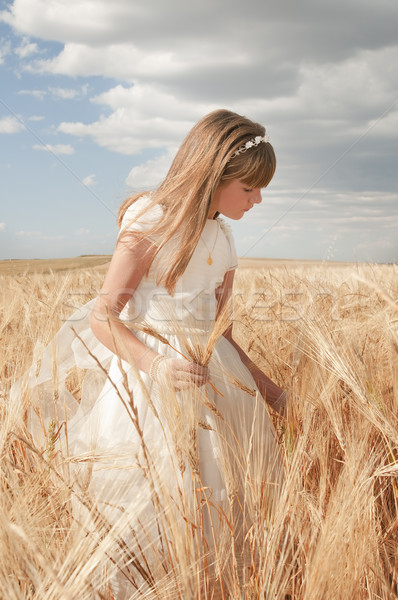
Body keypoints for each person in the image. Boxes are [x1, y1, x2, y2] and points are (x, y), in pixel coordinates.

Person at [25, 109, 286, 597]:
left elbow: (222, 333)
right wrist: (157, 364)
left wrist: (270, 390)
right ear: (215, 174)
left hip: (219, 388)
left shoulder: (226, 239)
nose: (258, 199)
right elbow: (104, 315)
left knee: (219, 504)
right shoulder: (151, 216)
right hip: (148, 384)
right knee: (152, 504)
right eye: (250, 188)